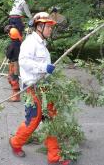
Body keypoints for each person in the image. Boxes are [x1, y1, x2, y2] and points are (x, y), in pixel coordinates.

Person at [9, 12, 73, 165]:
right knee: (33, 120)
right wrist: (43, 67)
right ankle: (15, 142)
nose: (51, 29)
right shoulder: (30, 43)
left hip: (45, 87)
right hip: (33, 87)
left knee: (51, 119)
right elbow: (24, 62)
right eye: (48, 26)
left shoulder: (42, 44)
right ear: (39, 26)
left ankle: (54, 157)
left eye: (51, 26)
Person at [5, 28, 22, 102]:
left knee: (13, 79)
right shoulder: (21, 43)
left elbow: (8, 55)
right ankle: (14, 95)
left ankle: (16, 97)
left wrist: (6, 50)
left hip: (14, 64)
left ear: (11, 35)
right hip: (19, 63)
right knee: (13, 78)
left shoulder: (12, 45)